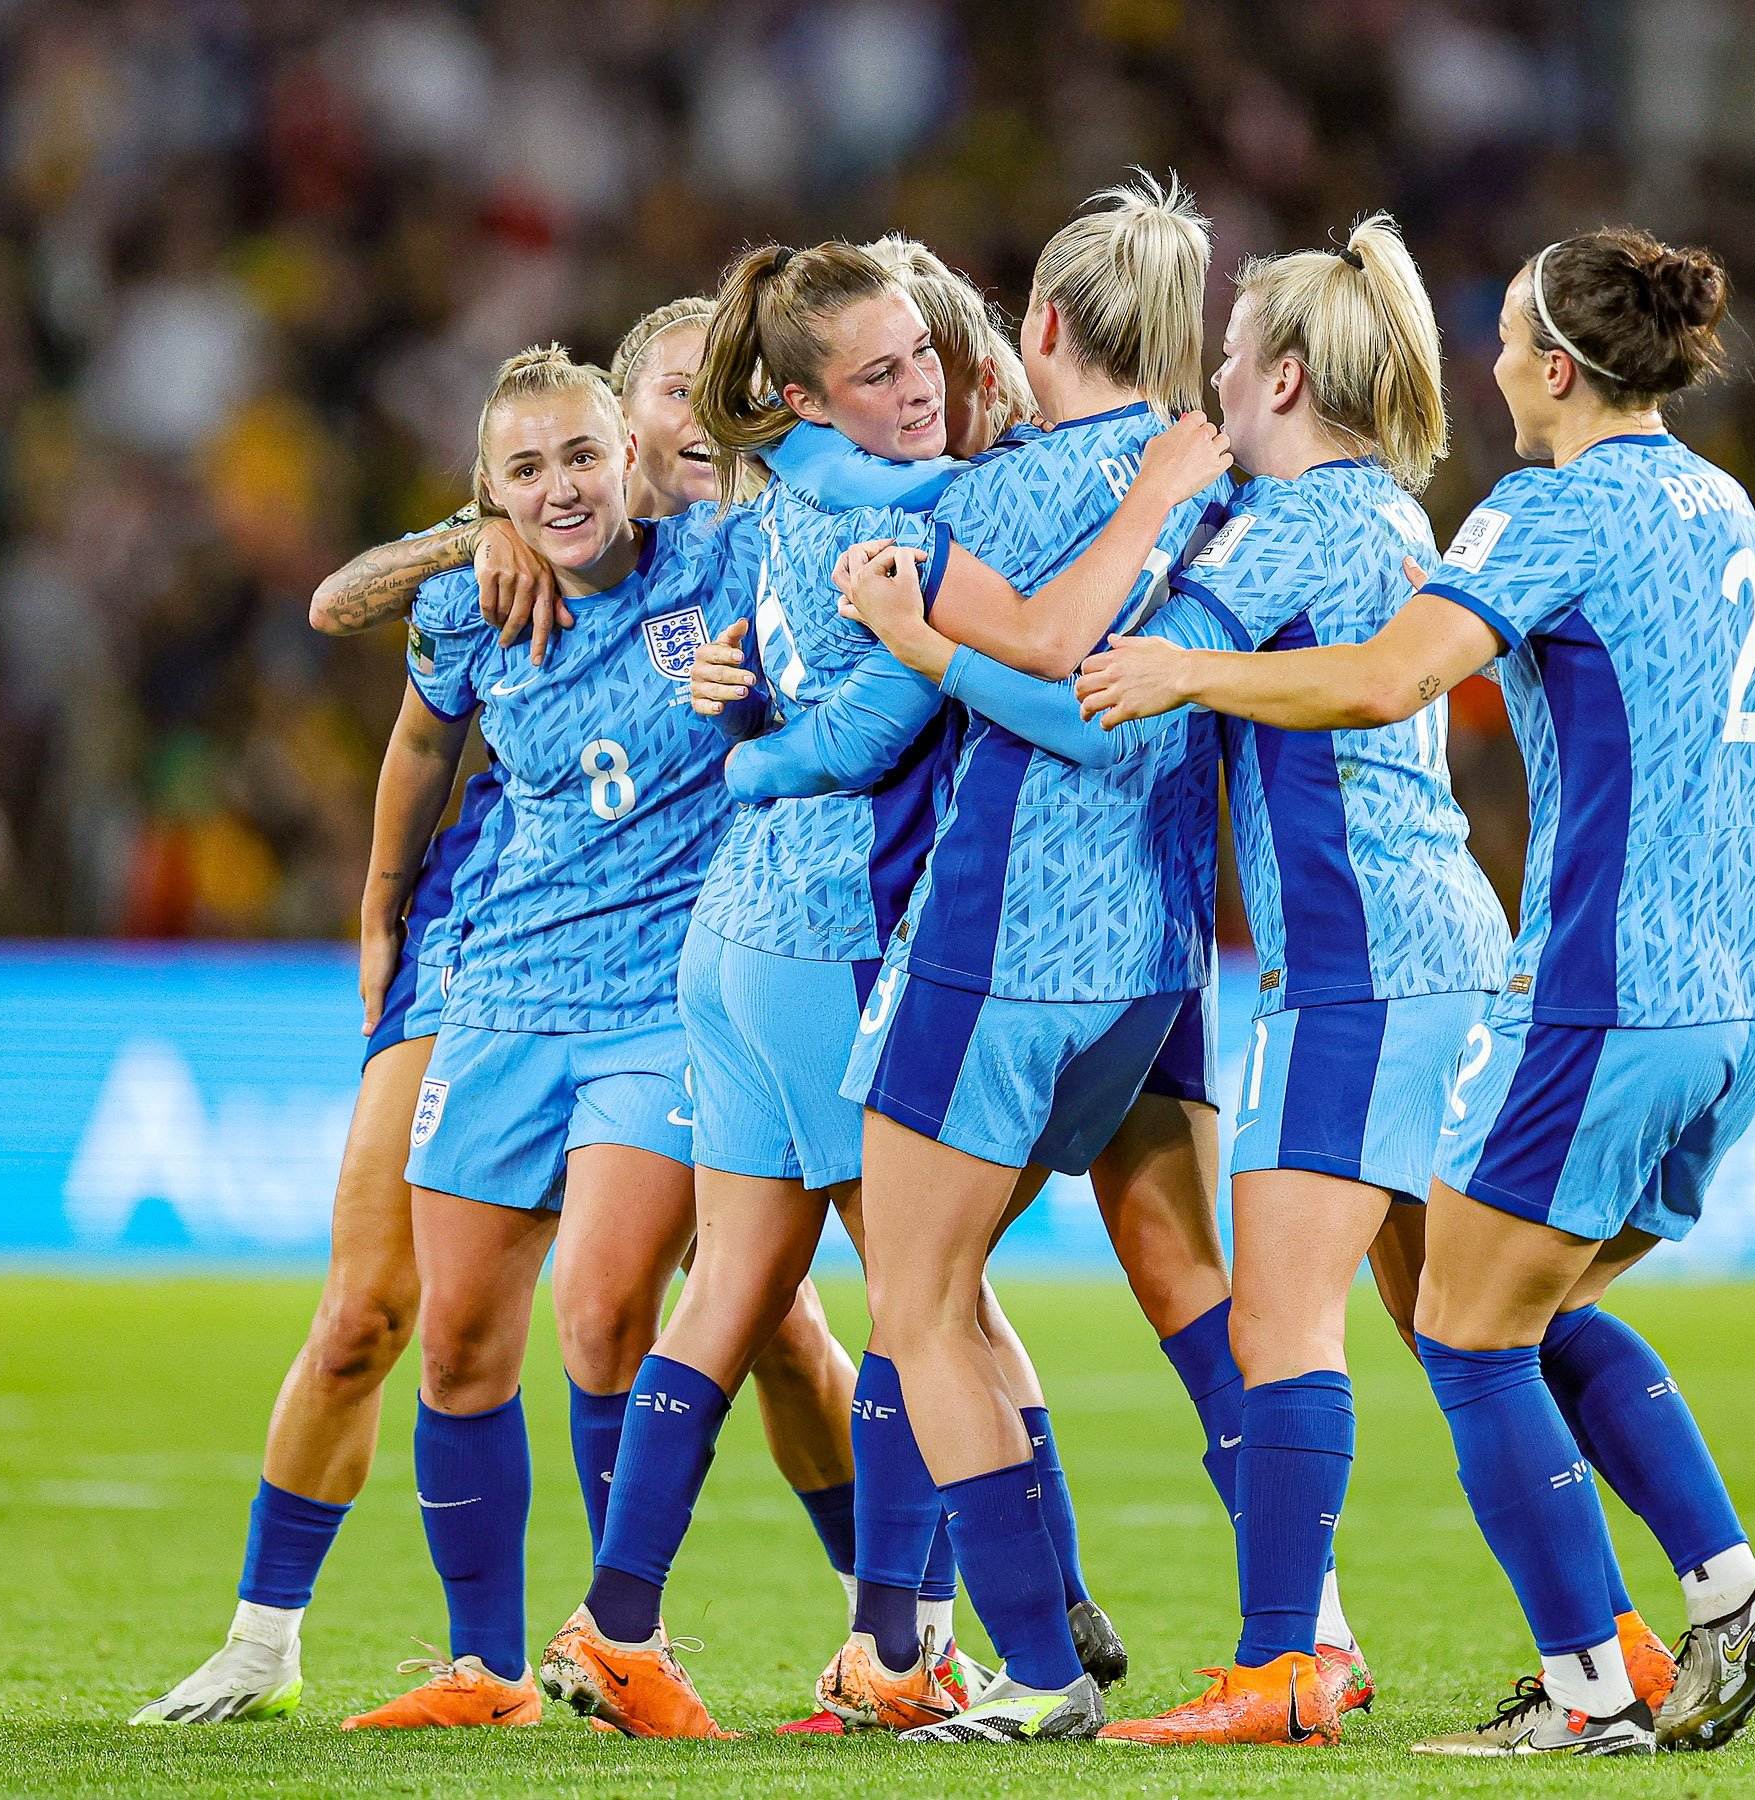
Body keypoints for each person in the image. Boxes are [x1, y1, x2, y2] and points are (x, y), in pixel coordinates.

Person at [1074, 227, 1755, 1757]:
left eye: (1505, 338)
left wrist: (1179, 668)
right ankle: (1698, 1603)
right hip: (1736, 987)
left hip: (1583, 985)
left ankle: (1497, 1682)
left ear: (1557, 367)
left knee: (1435, 1336)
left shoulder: (1544, 508)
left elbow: (1385, 675)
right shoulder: (1718, 500)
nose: (1484, 363)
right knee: (1494, 1316)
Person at [533, 236, 1215, 1741]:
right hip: (835, 933)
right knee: (924, 1303)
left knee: (735, 1293)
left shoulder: (786, 485)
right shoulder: (897, 524)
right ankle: (910, 1651)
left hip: (737, 931)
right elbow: (942, 687)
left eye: (926, 356)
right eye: (884, 371)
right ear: (804, 395)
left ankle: (616, 1628)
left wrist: (749, 722)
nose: (923, 389)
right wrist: (766, 748)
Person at [747, 175, 1237, 1748]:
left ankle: (1014, 1664)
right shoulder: (1228, 485)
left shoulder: (981, 506)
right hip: (1163, 957)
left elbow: (1040, 675)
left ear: (1035, 328)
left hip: (1001, 944)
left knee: (917, 1301)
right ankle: (1293, 1624)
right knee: (1156, 1284)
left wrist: (780, 739)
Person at [329, 344, 763, 1728]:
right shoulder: (469, 604)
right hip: (504, 998)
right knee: (457, 1342)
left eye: (582, 455)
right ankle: (486, 1668)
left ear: (629, 457)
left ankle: (625, 1637)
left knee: (603, 1314)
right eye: (525, 470)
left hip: (659, 1006)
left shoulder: (718, 563)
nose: (563, 487)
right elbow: (398, 716)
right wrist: (384, 900)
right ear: (490, 491)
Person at [126, 595, 502, 1729]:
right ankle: (259, 1645)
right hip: (476, 935)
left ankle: (900, 1640)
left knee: (764, 1321)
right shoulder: (506, 548)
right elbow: (341, 601)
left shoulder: (744, 537)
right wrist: (382, 900)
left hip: (656, 949)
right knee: (361, 1318)